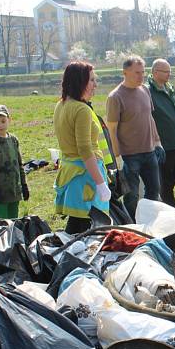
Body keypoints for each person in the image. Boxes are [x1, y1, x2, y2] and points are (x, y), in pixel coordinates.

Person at [53, 61, 110, 234]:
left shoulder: (61, 105)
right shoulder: (82, 109)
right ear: (80, 82)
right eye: (92, 80)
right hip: (85, 177)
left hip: (71, 174)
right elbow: (85, 149)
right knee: (88, 229)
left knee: (76, 225)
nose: (95, 85)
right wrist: (100, 183)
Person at [106, 55, 163, 218]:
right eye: (137, 73)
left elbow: (150, 118)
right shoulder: (115, 97)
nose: (141, 76)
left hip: (149, 151)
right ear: (125, 72)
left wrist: (157, 141)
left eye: (143, 72)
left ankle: (150, 219)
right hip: (129, 156)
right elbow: (112, 128)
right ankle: (133, 223)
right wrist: (118, 157)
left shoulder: (145, 90)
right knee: (131, 196)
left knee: (154, 189)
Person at [148, 59, 175, 209]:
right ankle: (169, 203)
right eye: (166, 72)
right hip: (165, 143)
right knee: (165, 175)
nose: (169, 75)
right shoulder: (148, 91)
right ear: (155, 72)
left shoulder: (169, 88)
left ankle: (166, 193)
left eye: (170, 72)